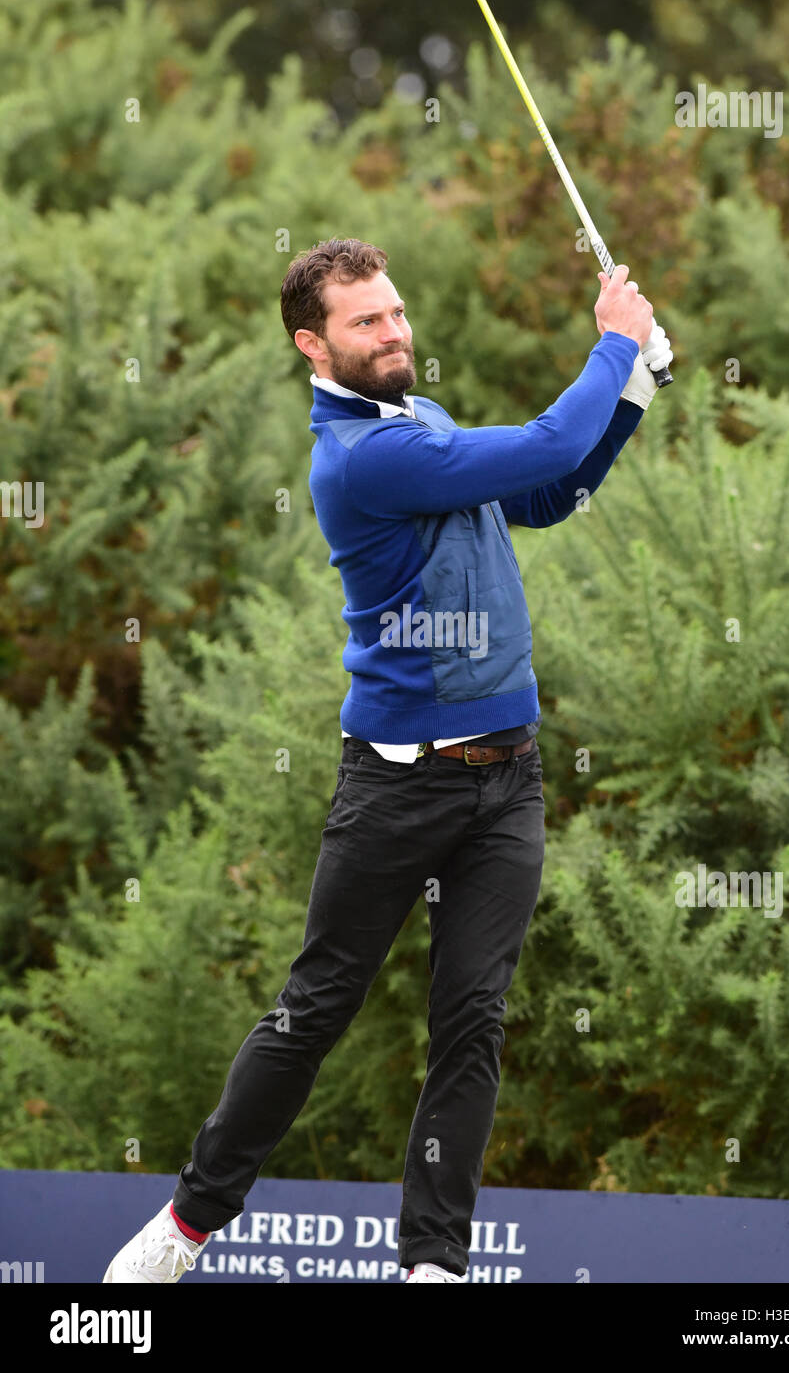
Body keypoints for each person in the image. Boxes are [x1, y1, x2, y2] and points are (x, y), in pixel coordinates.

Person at [103, 237, 672, 1285]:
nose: (395, 331)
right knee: (315, 1009)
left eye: (398, 311)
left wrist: (630, 393)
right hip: (399, 781)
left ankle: (434, 1268)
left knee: (471, 1022)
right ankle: (184, 1226)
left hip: (508, 779)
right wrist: (612, 348)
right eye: (367, 321)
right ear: (310, 345)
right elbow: (546, 444)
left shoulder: (423, 423)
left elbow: (546, 493)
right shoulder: (364, 457)